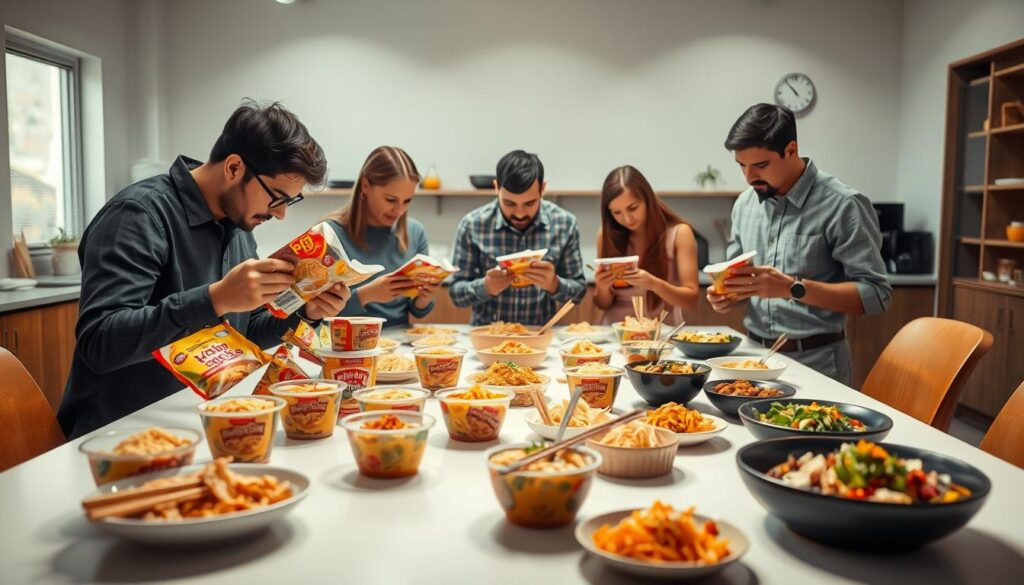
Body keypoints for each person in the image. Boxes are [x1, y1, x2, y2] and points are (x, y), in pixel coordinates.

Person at [57, 100, 350, 439]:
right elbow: (100, 343)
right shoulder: (138, 215)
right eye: (277, 198)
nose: (281, 214)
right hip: (115, 436)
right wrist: (214, 299)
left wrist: (306, 312)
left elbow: (247, 333)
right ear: (234, 168)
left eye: (290, 202)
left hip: (193, 424)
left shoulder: (238, 227)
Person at [709, 103, 891, 384]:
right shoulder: (745, 204)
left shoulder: (843, 204)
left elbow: (877, 295)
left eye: (760, 165)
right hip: (753, 357)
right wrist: (726, 296)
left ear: (791, 150)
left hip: (818, 362)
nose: (748, 177)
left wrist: (791, 288)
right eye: (741, 166)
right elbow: (742, 283)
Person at [450, 150, 586, 325]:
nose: (520, 214)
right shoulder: (473, 224)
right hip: (488, 337)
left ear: (542, 189)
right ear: (496, 187)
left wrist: (554, 284)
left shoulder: (565, 223)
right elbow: (455, 293)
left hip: (540, 336)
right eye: (509, 203)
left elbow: (580, 292)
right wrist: (486, 287)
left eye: (529, 203)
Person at [325, 146, 437, 325]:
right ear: (366, 185)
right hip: (346, 344)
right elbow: (314, 316)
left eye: (407, 201)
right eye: (391, 200)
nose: (399, 210)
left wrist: (424, 298)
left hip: (399, 346)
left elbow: (417, 311)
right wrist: (365, 295)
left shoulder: (416, 232)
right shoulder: (330, 234)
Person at [594, 165, 699, 325]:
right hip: (615, 333)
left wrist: (654, 284)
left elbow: (691, 301)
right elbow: (602, 304)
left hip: (662, 333)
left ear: (648, 199)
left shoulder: (680, 233)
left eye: (633, 208)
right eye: (617, 212)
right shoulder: (606, 235)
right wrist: (602, 288)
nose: (627, 219)